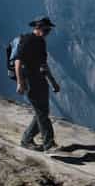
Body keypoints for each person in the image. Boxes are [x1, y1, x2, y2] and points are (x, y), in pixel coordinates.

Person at [16, 17, 61, 152]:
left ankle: (26, 139)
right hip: (29, 80)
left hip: (40, 79)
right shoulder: (27, 40)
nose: (48, 32)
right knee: (41, 112)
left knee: (42, 112)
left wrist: (53, 82)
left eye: (49, 30)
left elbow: (43, 64)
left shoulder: (41, 43)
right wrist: (20, 82)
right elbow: (18, 61)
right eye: (46, 29)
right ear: (39, 27)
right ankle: (49, 143)